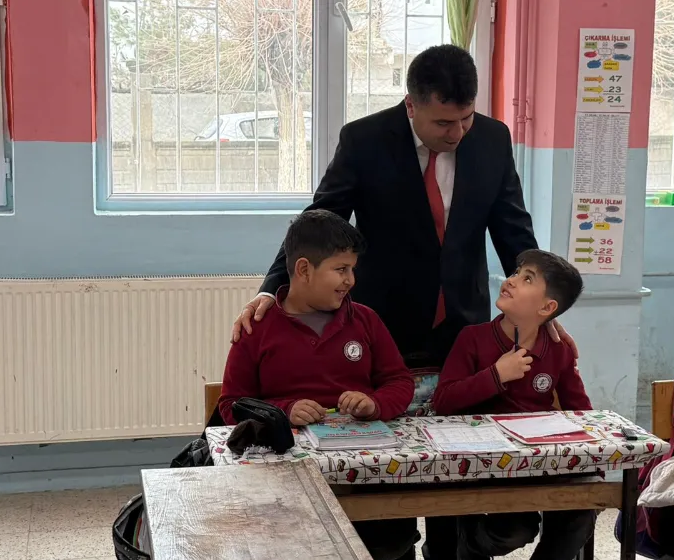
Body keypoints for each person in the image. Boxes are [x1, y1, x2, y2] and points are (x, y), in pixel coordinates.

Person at [231, 44, 580, 558]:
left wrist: (541, 309)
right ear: (411, 105)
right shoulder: (365, 139)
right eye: (443, 122)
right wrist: (271, 289)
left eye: (465, 118)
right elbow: (319, 222)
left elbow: (513, 230)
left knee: (453, 461)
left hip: (459, 323)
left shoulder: (492, 139)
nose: (457, 133)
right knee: (388, 468)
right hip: (382, 325)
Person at [218, 210, 418, 560]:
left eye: (352, 269)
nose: (350, 280)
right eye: (341, 269)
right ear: (304, 269)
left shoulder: (366, 320)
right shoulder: (256, 328)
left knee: (390, 541)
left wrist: (374, 403)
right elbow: (231, 404)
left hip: (367, 479)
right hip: (286, 484)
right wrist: (284, 411)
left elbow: (399, 381)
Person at [433, 249, 595, 560]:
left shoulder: (558, 350)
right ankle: (466, 543)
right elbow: (443, 401)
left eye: (527, 279)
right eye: (516, 273)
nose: (511, 280)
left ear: (547, 307)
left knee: (580, 510)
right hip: (483, 466)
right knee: (515, 530)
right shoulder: (472, 338)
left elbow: (580, 411)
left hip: (539, 464)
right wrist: (496, 375)